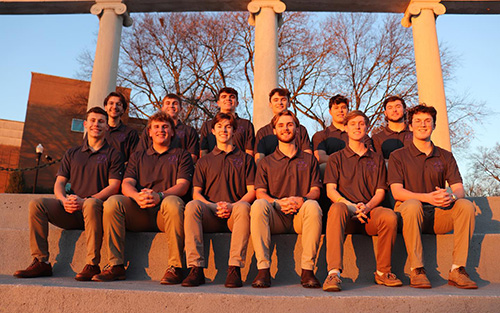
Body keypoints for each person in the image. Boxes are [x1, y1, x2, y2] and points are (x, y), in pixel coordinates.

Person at [14, 107, 124, 281]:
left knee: (91, 204)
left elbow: (114, 186)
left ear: (107, 127)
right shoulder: (72, 153)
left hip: (97, 211)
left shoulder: (114, 154)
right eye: (93, 120)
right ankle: (41, 262)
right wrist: (63, 200)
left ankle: (92, 264)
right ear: (86, 124)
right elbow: (59, 183)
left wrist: (86, 200)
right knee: (37, 204)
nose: (96, 124)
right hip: (71, 210)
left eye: (101, 121)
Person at [93, 111, 194, 283]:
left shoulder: (182, 155)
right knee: (113, 202)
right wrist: (136, 196)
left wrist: (160, 195)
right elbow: (126, 183)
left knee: (172, 202)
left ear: (172, 132)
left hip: (165, 214)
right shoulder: (137, 156)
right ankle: (116, 265)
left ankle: (175, 267)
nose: (160, 130)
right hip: (139, 212)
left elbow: (183, 186)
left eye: (165, 127)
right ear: (149, 132)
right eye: (156, 127)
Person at [388, 104, 477, 289]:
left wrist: (449, 197)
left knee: (466, 205)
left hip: (438, 215)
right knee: (412, 204)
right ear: (410, 126)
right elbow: (397, 192)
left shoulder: (445, 156)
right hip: (409, 216)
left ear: (434, 125)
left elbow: (459, 189)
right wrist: (427, 197)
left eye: (427, 121)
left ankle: (457, 269)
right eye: (417, 121)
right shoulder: (398, 156)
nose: (423, 125)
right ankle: (417, 269)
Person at [323, 111, 401, 292]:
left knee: (389, 216)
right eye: (352, 124)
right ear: (345, 128)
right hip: (346, 215)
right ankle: (333, 273)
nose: (357, 127)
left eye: (361, 123)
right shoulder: (336, 158)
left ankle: (383, 272)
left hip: (369, 214)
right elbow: (330, 190)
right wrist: (351, 206)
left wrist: (367, 207)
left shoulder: (377, 158)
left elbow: (380, 192)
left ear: (367, 127)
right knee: (336, 208)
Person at [250, 110, 323, 288]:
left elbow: (315, 190)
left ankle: (307, 271)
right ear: (274, 130)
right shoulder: (266, 162)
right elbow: (260, 192)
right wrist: (278, 203)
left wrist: (302, 200)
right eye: (281, 125)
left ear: (297, 129)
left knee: (313, 205)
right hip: (276, 216)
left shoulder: (309, 159)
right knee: (259, 205)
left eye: (290, 124)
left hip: (300, 216)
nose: (286, 128)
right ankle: (263, 270)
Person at [182, 113, 256, 288]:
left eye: (228, 126)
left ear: (234, 131)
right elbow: (196, 193)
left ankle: (234, 269)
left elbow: (252, 191)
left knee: (244, 207)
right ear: (213, 131)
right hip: (210, 213)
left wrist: (232, 206)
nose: (224, 130)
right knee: (192, 206)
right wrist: (212, 206)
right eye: (220, 126)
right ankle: (196, 268)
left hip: (235, 215)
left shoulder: (246, 159)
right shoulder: (204, 161)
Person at [254, 88, 312, 163]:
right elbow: (259, 161)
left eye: (283, 100)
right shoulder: (262, 133)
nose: (280, 103)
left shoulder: (301, 129)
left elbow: (308, 155)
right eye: (276, 100)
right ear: (270, 104)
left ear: (289, 103)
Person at [137, 94, 200, 162]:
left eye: (175, 103)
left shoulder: (189, 131)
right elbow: (140, 154)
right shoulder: (150, 131)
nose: (171, 106)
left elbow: (193, 156)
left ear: (181, 108)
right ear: (162, 108)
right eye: (168, 103)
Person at [312, 95, 372, 166]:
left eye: (343, 107)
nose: (340, 111)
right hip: (333, 169)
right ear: (330, 111)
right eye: (336, 108)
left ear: (348, 110)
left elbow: (371, 155)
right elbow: (320, 157)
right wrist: (345, 163)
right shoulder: (320, 135)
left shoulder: (361, 134)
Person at [200, 87, 255, 157]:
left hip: (239, 165)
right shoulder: (208, 125)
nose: (228, 99)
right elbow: (203, 152)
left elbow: (249, 152)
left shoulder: (246, 125)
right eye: (224, 97)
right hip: (213, 166)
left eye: (232, 97)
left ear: (237, 103)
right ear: (218, 103)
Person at [102, 92, 140, 162]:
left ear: (123, 110)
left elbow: (134, 161)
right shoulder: (97, 130)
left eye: (118, 104)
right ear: (105, 107)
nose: (114, 107)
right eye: (111, 103)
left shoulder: (131, 134)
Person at [372, 96, 412, 160]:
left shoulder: (415, 134)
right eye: (390, 108)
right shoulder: (377, 138)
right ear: (385, 113)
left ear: (405, 110)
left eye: (398, 106)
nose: (394, 110)